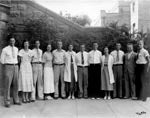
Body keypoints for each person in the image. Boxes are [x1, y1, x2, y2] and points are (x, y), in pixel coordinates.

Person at [0, 37, 21, 107]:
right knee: (7, 84)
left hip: (16, 67)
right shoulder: (5, 49)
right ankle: (7, 102)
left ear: (15, 42)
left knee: (16, 84)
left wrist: (15, 65)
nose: (12, 42)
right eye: (11, 41)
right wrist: (7, 64)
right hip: (8, 67)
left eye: (13, 41)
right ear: (9, 41)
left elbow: (16, 58)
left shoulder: (16, 49)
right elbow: (1, 60)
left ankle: (16, 100)